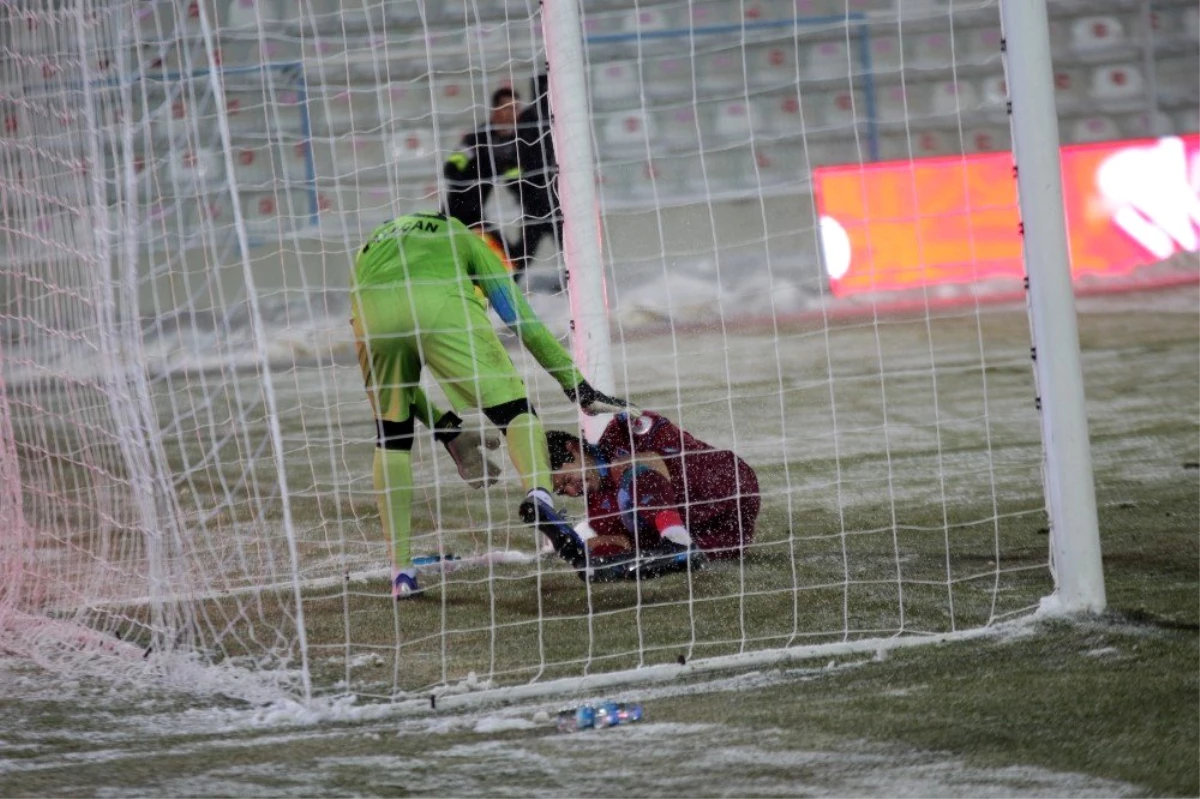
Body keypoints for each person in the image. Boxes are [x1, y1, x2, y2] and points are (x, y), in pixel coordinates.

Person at [351, 210, 637, 599]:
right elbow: (521, 318)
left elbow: (397, 384)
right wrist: (576, 385)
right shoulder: (460, 235)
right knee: (517, 412)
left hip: (373, 313)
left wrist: (447, 429)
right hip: (442, 308)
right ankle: (539, 497)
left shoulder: (366, 253)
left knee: (392, 437)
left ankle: (401, 574)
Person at [545, 411, 760, 580]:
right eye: (563, 491)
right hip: (724, 535)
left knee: (623, 466)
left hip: (728, 485)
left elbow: (670, 454)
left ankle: (676, 539)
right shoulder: (598, 511)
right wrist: (583, 550)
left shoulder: (621, 432)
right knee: (621, 559)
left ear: (572, 447)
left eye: (566, 480)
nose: (573, 491)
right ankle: (678, 545)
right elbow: (624, 545)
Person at [442, 86, 523, 262]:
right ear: (495, 110)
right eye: (507, 108)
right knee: (502, 258)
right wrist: (469, 179)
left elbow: (513, 180)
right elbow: (451, 168)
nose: (511, 113)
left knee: (509, 258)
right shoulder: (477, 138)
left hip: (477, 215)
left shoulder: (511, 143)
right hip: (457, 214)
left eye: (515, 108)